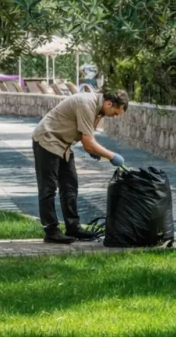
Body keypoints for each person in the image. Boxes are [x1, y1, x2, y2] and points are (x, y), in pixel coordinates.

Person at [31, 89, 129, 244]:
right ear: (109, 103)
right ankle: (51, 231)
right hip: (47, 140)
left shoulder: (98, 110)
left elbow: (88, 136)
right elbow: (88, 143)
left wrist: (95, 150)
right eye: (115, 113)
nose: (114, 117)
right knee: (48, 188)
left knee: (70, 186)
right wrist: (111, 156)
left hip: (64, 144)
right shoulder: (86, 103)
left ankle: (73, 227)